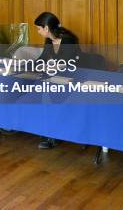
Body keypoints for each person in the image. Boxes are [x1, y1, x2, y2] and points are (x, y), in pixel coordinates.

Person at [34, 11, 80, 149]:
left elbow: (67, 64)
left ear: (46, 28)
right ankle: (48, 132)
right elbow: (42, 59)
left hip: (73, 78)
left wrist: (49, 67)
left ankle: (51, 134)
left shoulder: (68, 40)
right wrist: (24, 66)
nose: (38, 31)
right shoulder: (49, 40)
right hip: (56, 77)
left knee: (47, 91)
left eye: (39, 28)